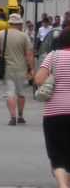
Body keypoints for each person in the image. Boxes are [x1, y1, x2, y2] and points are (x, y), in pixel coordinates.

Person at [35, 25, 70, 188]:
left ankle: (63, 185)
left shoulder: (53, 56)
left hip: (54, 113)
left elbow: (39, 80)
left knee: (56, 153)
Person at [0, 12, 34, 125]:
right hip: (21, 69)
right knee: (21, 93)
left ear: (9, 23)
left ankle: (12, 117)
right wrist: (31, 68)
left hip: (7, 69)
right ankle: (20, 115)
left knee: (9, 93)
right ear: (19, 24)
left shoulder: (1, 34)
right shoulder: (24, 36)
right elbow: (29, 54)